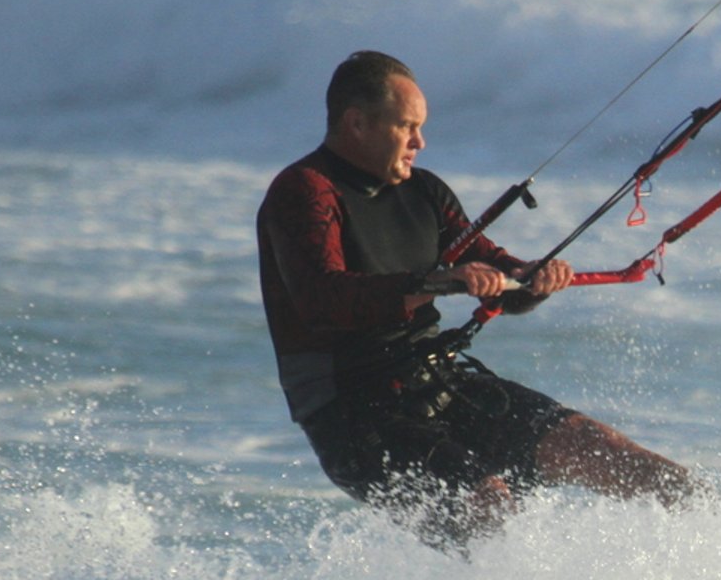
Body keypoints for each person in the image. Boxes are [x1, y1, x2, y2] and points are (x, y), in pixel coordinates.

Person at [257, 50, 694, 545]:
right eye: (407, 127)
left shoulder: (425, 192)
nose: (420, 142)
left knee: (591, 445)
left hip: (437, 380)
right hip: (352, 413)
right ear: (357, 123)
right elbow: (322, 298)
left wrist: (529, 280)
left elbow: (491, 269)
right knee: (490, 503)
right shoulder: (305, 191)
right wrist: (437, 281)